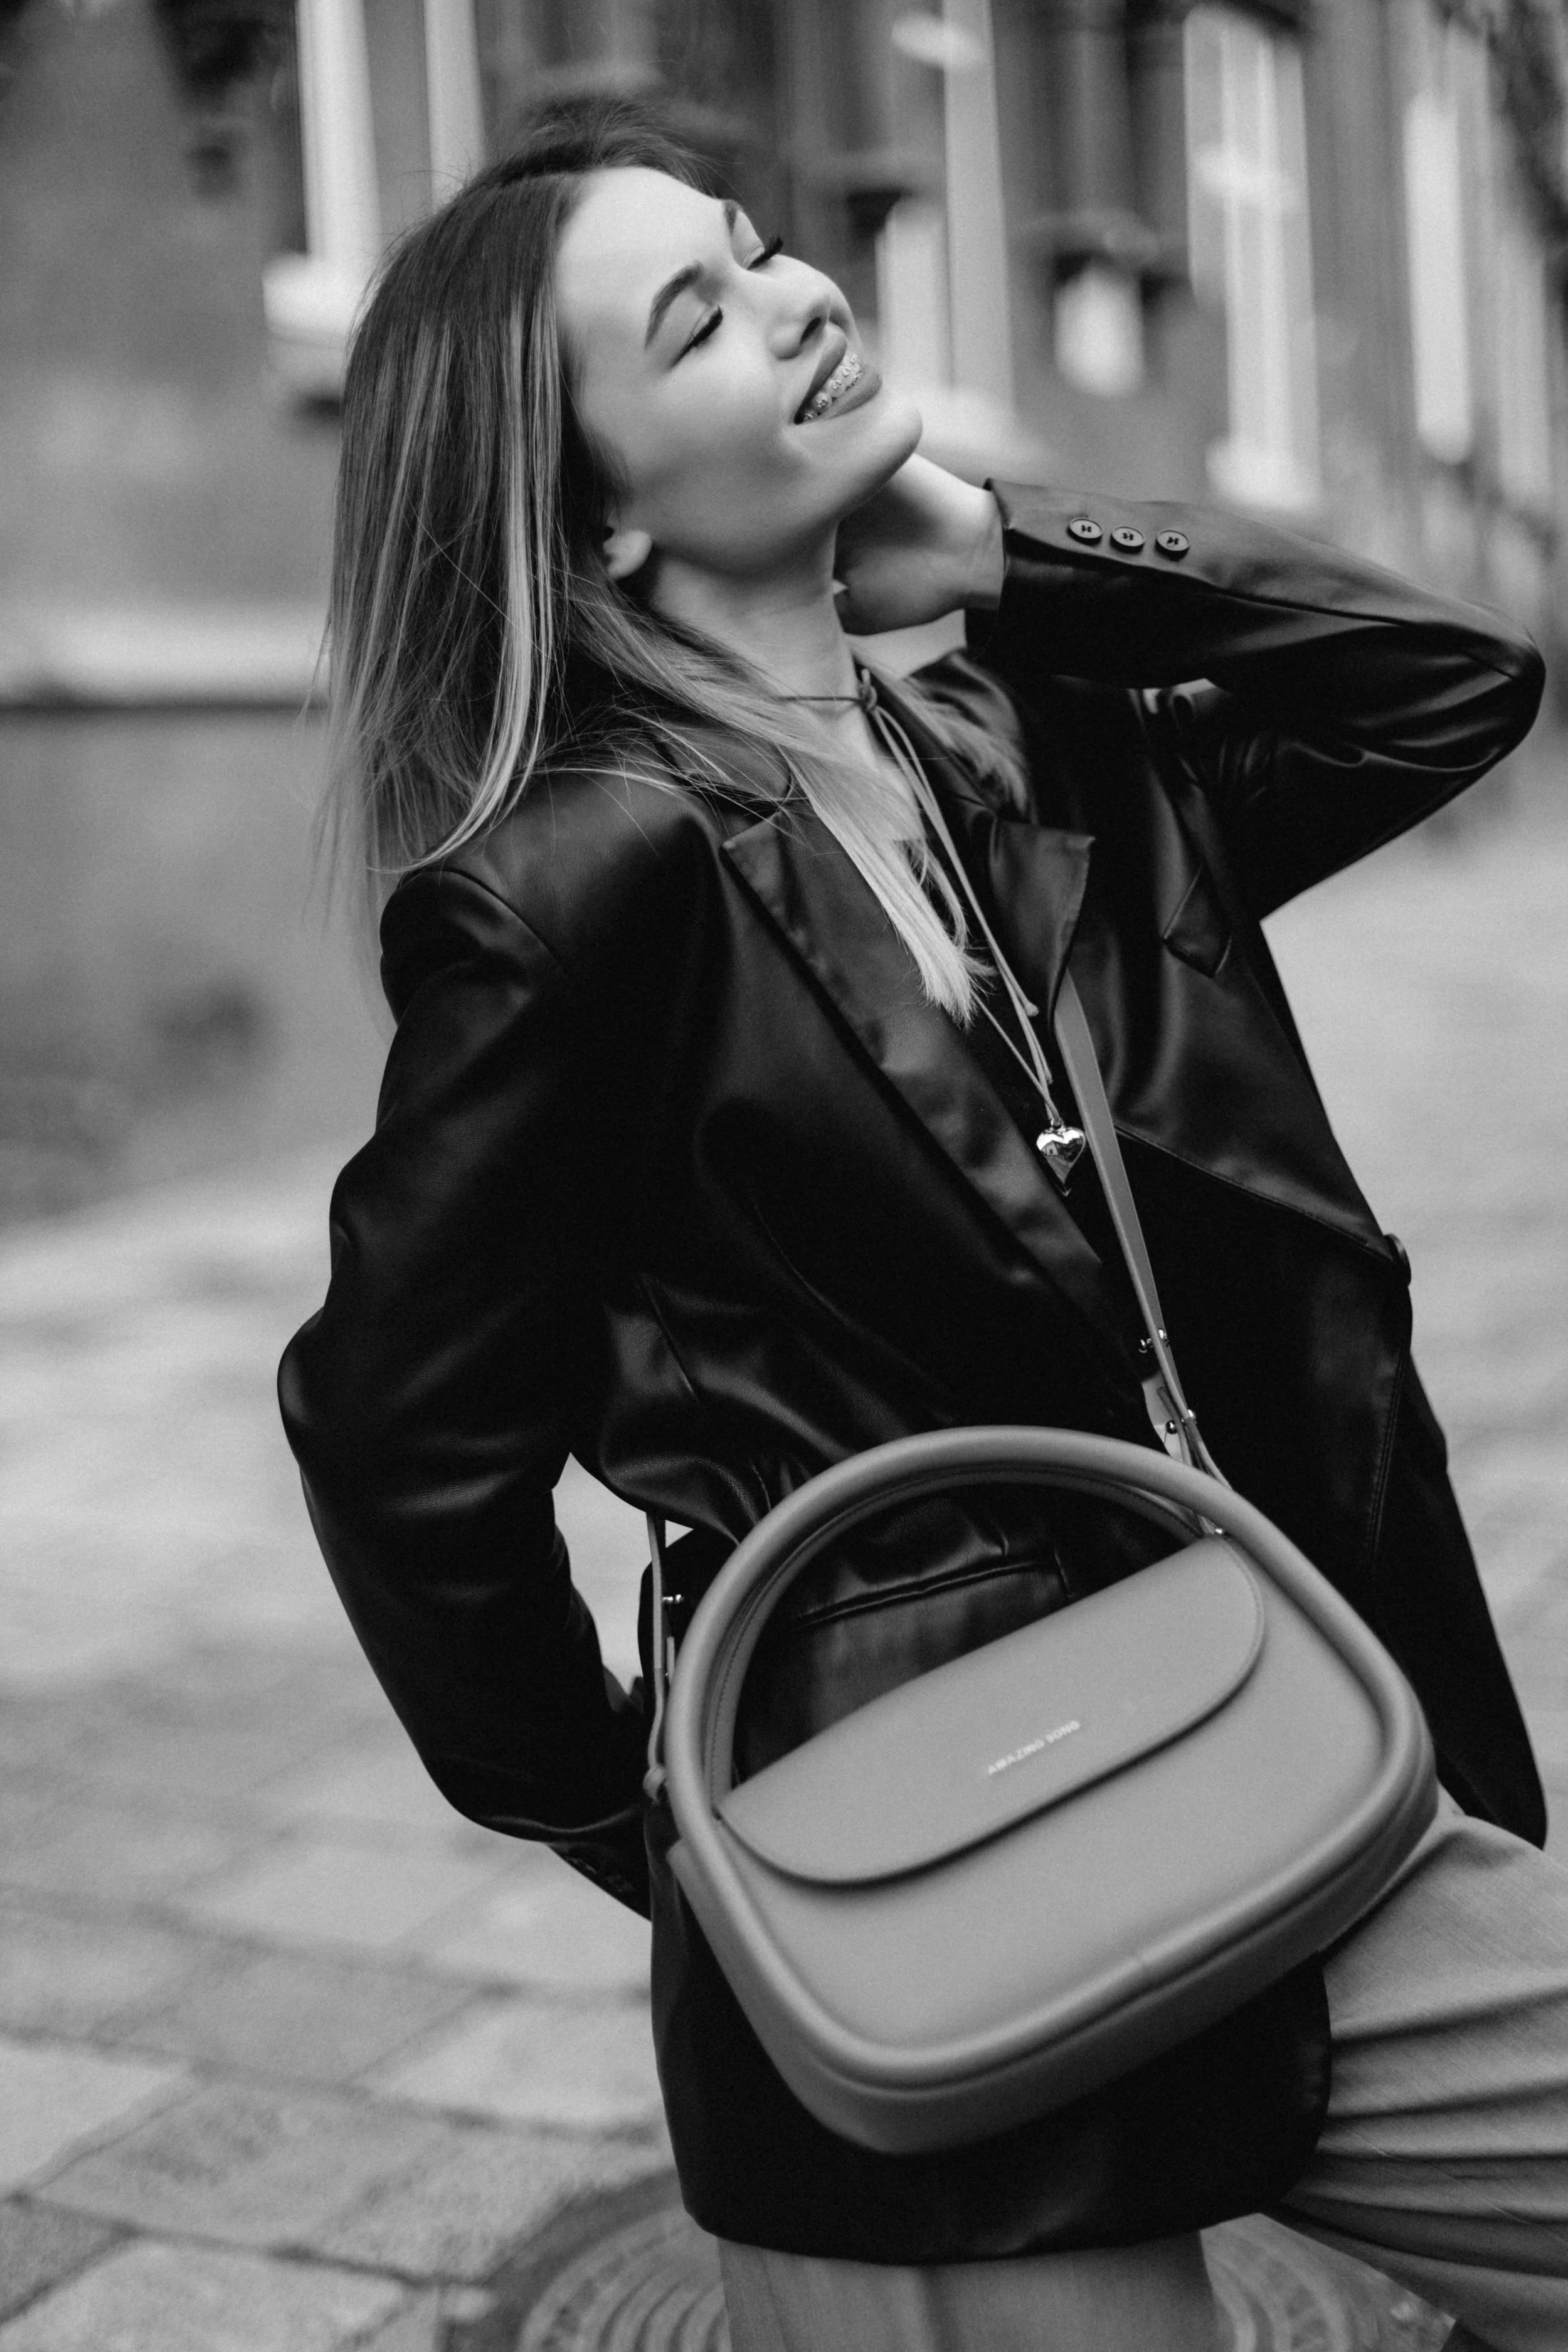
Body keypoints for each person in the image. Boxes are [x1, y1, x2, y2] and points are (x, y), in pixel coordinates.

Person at [278, 97, 1563, 2352]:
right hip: (944, 1851)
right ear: (586, 515)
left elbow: (1447, 683)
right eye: (697, 313)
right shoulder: (577, 889)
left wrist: (1006, 549)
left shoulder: (1036, 752)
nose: (795, 296)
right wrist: (646, 1823)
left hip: (1311, 1715)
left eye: (765, 246)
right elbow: (397, 1433)